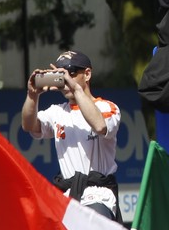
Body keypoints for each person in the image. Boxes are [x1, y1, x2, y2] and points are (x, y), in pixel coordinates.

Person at [22, 50, 122, 221]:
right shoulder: (57, 111)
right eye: (61, 75)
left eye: (72, 73)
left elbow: (100, 125)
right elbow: (29, 125)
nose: (66, 80)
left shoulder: (107, 107)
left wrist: (76, 89)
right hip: (67, 198)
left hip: (99, 195)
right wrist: (32, 95)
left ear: (87, 74)